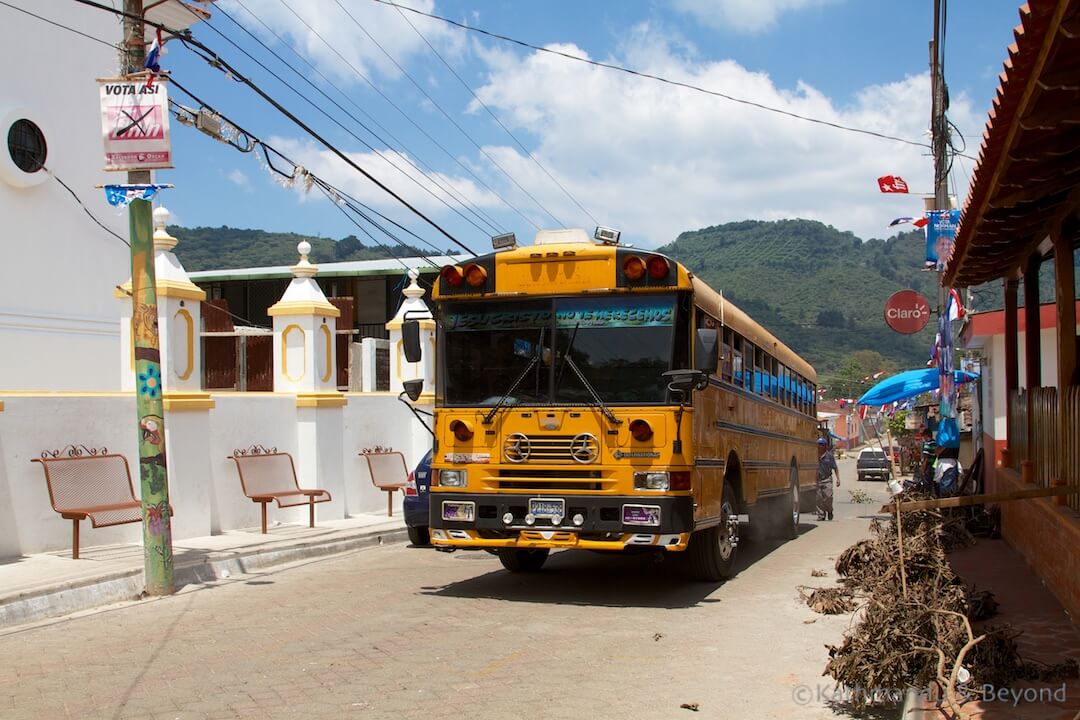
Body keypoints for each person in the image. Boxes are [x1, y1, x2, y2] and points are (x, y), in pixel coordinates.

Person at [815, 437, 840, 520]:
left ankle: (829, 511)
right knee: (818, 499)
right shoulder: (814, 455)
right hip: (817, 480)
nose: (820, 446)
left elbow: (835, 468)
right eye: (818, 444)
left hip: (827, 479)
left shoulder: (829, 456)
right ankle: (821, 515)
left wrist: (838, 479)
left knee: (828, 497)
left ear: (825, 446)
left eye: (821, 445)